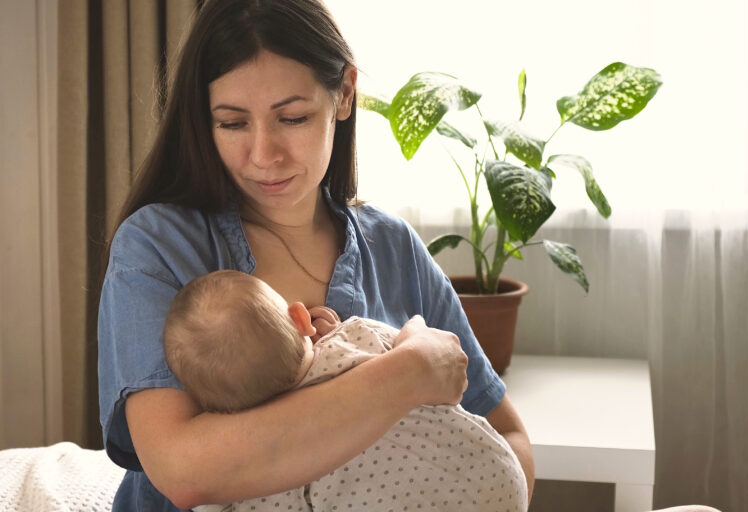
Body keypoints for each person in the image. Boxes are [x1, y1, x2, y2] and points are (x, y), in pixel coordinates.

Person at [97, 1, 534, 511]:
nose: (264, 154)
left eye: (293, 117)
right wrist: (408, 373)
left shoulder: (392, 248)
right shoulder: (158, 247)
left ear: (344, 94)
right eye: (233, 124)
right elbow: (183, 471)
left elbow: (511, 443)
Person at [163, 270, 528, 511]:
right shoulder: (359, 336)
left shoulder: (243, 480)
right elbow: (438, 368)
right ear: (302, 318)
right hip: (493, 483)